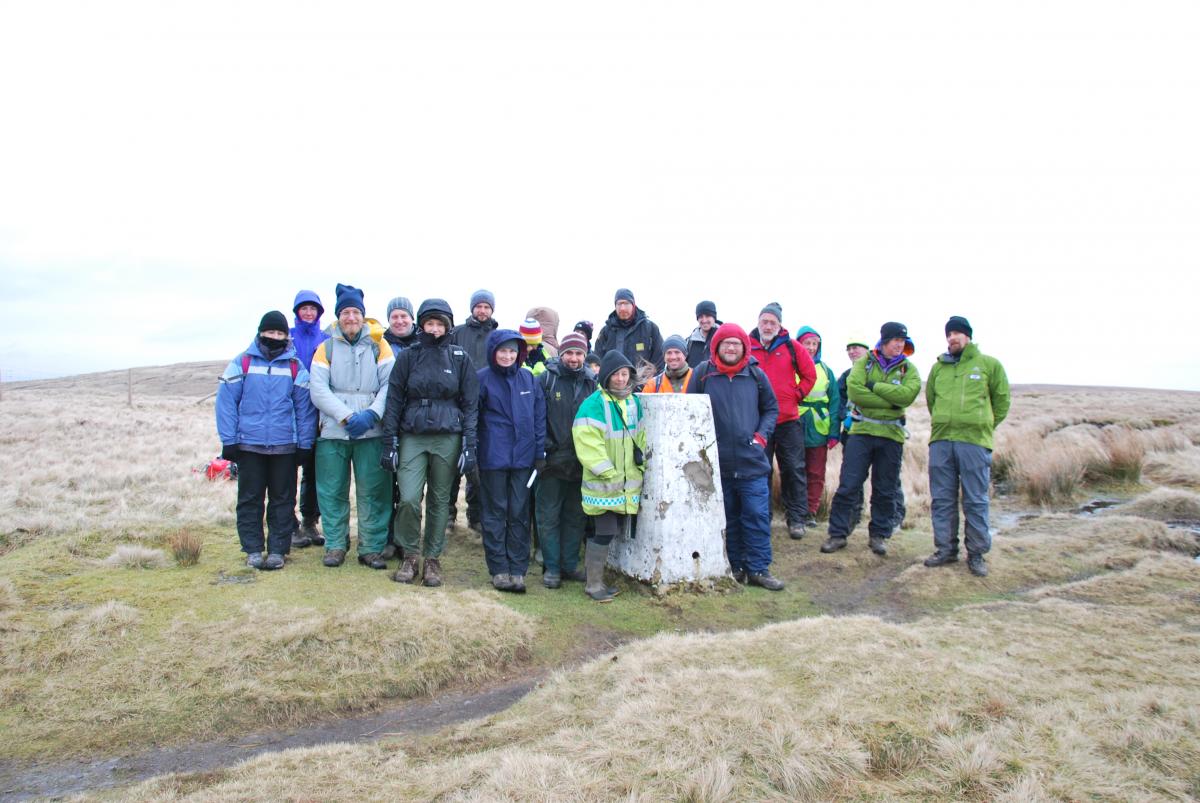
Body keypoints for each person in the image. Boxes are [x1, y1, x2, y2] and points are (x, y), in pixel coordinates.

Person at [381, 298, 479, 587]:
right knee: (409, 498)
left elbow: (471, 404)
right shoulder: (408, 357)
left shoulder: (460, 358)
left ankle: (433, 558)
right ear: (421, 324)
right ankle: (410, 554)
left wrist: (469, 445)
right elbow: (394, 400)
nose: (435, 329)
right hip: (412, 434)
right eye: (429, 323)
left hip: (448, 435)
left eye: (440, 324)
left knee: (439, 499)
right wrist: (390, 441)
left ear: (447, 327)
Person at [217, 311, 318, 570]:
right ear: (261, 332)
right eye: (270, 332)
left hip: (284, 447)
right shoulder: (243, 363)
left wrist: (305, 444)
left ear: (286, 335)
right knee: (250, 499)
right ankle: (252, 548)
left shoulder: (295, 366)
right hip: (249, 445)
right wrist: (229, 440)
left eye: (280, 333)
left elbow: (305, 409)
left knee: (283, 500)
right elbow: (227, 402)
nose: (275, 337)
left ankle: (278, 550)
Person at [688, 323, 784, 590]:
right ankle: (737, 567)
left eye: (736, 343)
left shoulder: (755, 374)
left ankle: (759, 569)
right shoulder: (703, 373)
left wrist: (761, 437)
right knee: (728, 518)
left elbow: (771, 409)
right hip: (717, 465)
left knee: (755, 515)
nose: (731, 348)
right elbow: (690, 410)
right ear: (716, 346)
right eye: (726, 343)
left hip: (751, 461)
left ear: (744, 346)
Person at [308, 284, 395, 569]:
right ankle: (335, 545)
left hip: (371, 431)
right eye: (345, 312)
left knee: (374, 490)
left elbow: (390, 385)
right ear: (338, 316)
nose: (351, 317)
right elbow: (318, 390)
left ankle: (371, 547)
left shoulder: (380, 344)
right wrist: (346, 417)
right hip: (334, 431)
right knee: (332, 490)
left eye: (356, 312)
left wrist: (371, 415)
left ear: (363, 315)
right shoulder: (326, 347)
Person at [821, 322, 921, 557]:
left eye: (902, 341)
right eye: (896, 340)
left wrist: (874, 386)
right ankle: (837, 534)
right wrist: (890, 401)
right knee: (849, 485)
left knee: (885, 488)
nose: (899, 344)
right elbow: (855, 392)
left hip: (891, 436)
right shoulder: (865, 363)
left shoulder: (909, 369)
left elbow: (906, 396)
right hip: (861, 434)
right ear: (884, 341)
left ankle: (879, 536)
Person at [924, 316, 1010, 577]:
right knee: (942, 499)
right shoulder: (938, 368)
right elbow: (931, 401)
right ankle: (946, 550)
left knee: (975, 499)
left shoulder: (989, 365)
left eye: (958, 333)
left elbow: (1001, 402)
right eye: (949, 334)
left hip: (973, 443)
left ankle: (976, 553)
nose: (953, 338)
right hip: (941, 441)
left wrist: (982, 424)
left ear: (968, 336)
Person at [571, 351, 647, 602]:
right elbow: (586, 440)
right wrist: (606, 471)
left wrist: (642, 464)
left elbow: (641, 436)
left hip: (626, 483)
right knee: (604, 531)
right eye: (615, 374)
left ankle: (597, 580)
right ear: (606, 376)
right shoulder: (593, 403)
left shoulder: (634, 402)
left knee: (609, 531)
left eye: (625, 374)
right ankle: (593, 585)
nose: (620, 379)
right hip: (603, 483)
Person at [476, 329, 547, 592]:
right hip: (493, 457)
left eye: (512, 351)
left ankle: (518, 569)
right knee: (495, 514)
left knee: (519, 513)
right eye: (503, 351)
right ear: (493, 352)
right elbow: (473, 417)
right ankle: (499, 569)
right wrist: (473, 452)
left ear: (520, 354)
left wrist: (540, 453)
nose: (507, 356)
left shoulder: (529, 379)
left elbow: (539, 417)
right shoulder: (482, 379)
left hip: (524, 459)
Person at [749, 303, 817, 539]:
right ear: (758, 322)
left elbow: (810, 375)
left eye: (773, 322)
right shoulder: (748, 346)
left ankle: (797, 518)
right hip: (758, 422)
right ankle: (762, 518)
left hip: (788, 420)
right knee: (760, 471)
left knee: (793, 470)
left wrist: (796, 395)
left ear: (779, 325)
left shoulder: (792, 346)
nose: (768, 326)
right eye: (764, 321)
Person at [536, 332, 596, 588]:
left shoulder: (592, 383)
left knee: (576, 516)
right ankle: (551, 567)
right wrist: (543, 450)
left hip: (581, 462)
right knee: (548, 515)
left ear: (585, 355)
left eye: (579, 353)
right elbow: (536, 418)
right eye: (569, 353)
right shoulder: (546, 380)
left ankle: (569, 564)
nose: (573, 358)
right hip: (551, 462)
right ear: (560, 354)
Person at [447, 289, 495, 532]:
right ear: (472, 308)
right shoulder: (457, 333)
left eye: (487, 307)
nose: (483, 310)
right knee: (452, 461)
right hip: (457, 403)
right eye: (479, 306)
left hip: (486, 406)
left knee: (479, 463)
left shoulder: (497, 336)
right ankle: (448, 514)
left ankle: (476, 515)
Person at [289, 290, 330, 548]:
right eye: (303, 308)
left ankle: (310, 521)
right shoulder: (287, 337)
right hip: (289, 413)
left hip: (317, 414)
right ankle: (288, 523)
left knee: (314, 472)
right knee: (286, 471)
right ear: (296, 311)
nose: (308, 312)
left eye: (312, 308)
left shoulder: (326, 339)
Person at [381, 296, 419, 561]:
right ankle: (386, 538)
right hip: (386, 420)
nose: (399, 320)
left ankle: (406, 538)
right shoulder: (379, 345)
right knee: (386, 484)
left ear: (412, 318)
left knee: (410, 489)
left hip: (416, 424)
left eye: (404, 315)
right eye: (394, 316)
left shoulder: (423, 344)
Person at [795, 327, 844, 527]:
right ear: (799, 344)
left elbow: (835, 402)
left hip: (818, 427)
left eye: (815, 344)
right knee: (794, 470)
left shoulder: (826, 371)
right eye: (807, 343)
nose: (811, 348)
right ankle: (795, 509)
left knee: (815, 472)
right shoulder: (791, 367)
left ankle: (810, 511)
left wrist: (834, 432)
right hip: (794, 424)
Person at [594, 288, 665, 373]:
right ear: (615, 306)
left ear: (633, 305)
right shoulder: (606, 331)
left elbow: (660, 358)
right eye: (619, 304)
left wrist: (651, 381)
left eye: (626, 303)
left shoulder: (650, 329)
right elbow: (597, 359)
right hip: (614, 383)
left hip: (644, 383)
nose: (622, 308)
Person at [686, 300, 722, 368]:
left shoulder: (725, 339)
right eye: (701, 317)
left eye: (708, 316)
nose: (704, 320)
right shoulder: (689, 342)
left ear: (714, 317)